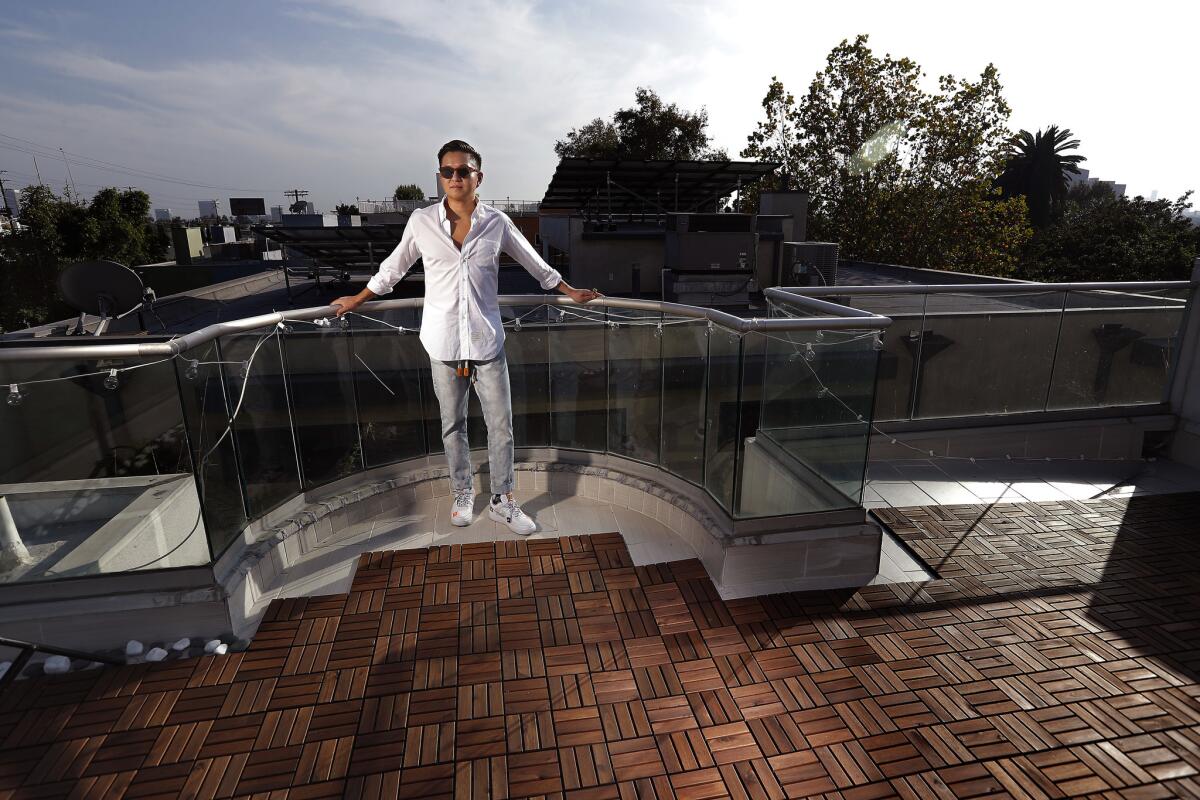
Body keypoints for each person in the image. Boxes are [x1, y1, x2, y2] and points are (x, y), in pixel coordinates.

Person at [332, 139, 601, 535]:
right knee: (451, 424)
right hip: (442, 343)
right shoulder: (421, 222)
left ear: (479, 176)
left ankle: (502, 500)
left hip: (487, 341)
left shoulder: (498, 222)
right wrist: (359, 298)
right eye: (447, 171)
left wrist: (570, 292)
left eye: (463, 170)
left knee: (501, 424)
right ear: (440, 177)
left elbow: (535, 263)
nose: (455, 177)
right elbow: (393, 268)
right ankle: (462, 492)